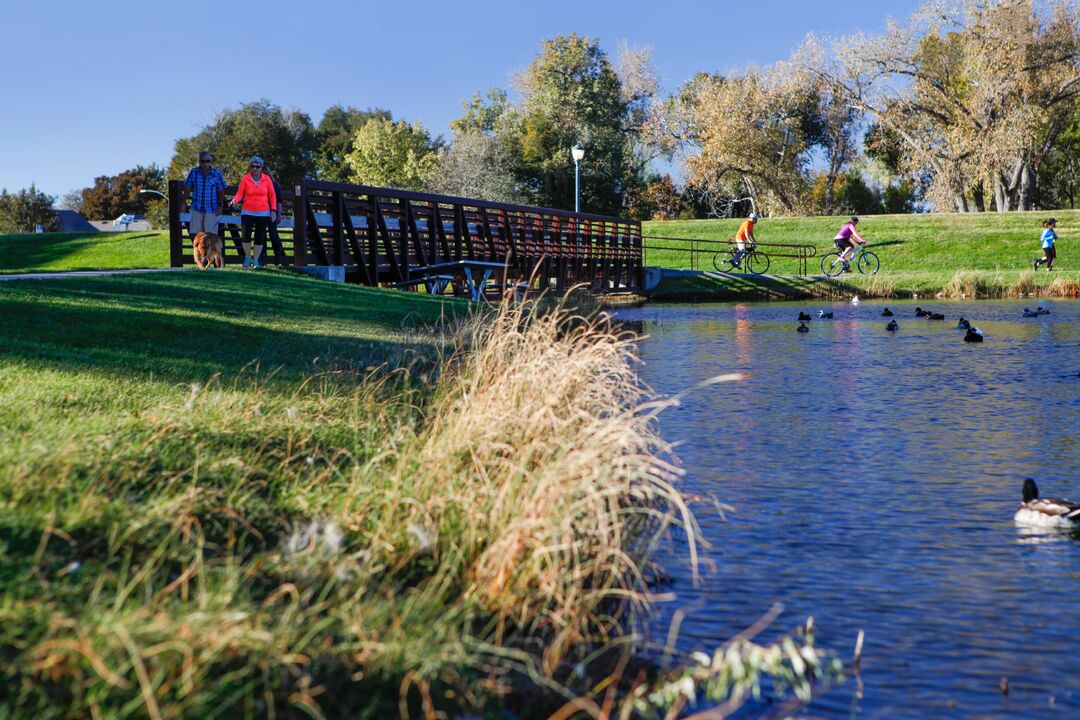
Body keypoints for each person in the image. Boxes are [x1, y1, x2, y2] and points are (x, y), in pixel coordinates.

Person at [231, 156, 277, 268]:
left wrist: (274, 210)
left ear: (261, 167)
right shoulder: (245, 178)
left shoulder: (267, 179)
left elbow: (272, 195)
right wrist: (235, 200)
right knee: (246, 236)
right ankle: (247, 258)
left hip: (263, 212)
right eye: (253, 166)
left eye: (257, 166)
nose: (255, 168)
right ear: (250, 167)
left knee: (259, 237)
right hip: (247, 211)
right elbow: (240, 193)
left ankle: (256, 260)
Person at [183, 151, 227, 237]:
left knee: (211, 238)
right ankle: (198, 251)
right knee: (197, 238)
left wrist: (220, 205)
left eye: (208, 161)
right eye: (203, 161)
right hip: (196, 208)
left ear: (210, 161)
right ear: (199, 161)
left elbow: (221, 191)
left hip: (211, 209)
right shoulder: (194, 172)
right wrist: (183, 202)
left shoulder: (216, 173)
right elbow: (187, 188)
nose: (205, 163)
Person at [262, 164, 286, 263]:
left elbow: (279, 201)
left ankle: (278, 254)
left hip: (271, 212)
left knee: (273, 234)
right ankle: (263, 256)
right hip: (261, 213)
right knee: (261, 234)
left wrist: (279, 215)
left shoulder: (274, 185)